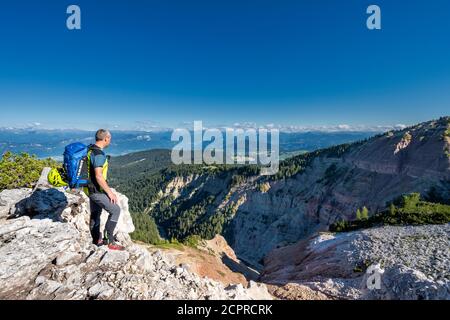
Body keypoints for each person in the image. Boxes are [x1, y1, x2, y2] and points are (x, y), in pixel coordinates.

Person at [86, 129, 125, 251]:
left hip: (89, 189)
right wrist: (109, 192)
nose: (110, 141)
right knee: (115, 210)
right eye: (110, 139)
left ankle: (96, 240)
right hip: (96, 191)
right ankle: (110, 241)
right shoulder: (98, 154)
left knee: (96, 214)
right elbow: (98, 175)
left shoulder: (90, 150)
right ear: (106, 139)